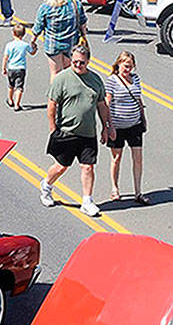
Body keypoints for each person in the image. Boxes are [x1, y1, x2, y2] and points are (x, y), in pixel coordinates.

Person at [39, 43, 113, 217]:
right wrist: (53, 128)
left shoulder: (95, 80)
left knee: (88, 167)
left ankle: (87, 201)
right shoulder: (62, 78)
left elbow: (102, 105)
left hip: (88, 133)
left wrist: (106, 127)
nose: (78, 65)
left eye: (82, 62)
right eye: (75, 62)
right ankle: (46, 185)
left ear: (88, 61)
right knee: (61, 166)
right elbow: (52, 105)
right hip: (67, 131)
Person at [104, 50, 148, 204]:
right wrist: (108, 126)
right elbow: (107, 103)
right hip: (118, 125)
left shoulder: (135, 79)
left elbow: (138, 98)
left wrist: (143, 117)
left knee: (138, 159)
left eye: (130, 66)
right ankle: (115, 188)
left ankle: (138, 192)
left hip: (134, 124)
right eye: (125, 66)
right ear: (118, 65)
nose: (127, 69)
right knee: (117, 157)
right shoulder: (112, 80)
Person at [31, 0, 88, 81]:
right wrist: (84, 36)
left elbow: (38, 27)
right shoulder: (75, 3)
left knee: (55, 73)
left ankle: (55, 96)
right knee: (69, 72)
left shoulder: (45, 7)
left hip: (53, 45)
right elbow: (82, 22)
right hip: (71, 43)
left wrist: (33, 41)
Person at [3, 23, 37, 111]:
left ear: (13, 33)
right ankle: (17, 105)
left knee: (11, 85)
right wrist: (35, 48)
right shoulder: (25, 45)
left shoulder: (9, 45)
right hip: (21, 68)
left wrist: (3, 68)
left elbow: (5, 57)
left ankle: (10, 100)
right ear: (24, 34)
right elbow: (32, 53)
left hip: (11, 68)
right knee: (19, 87)